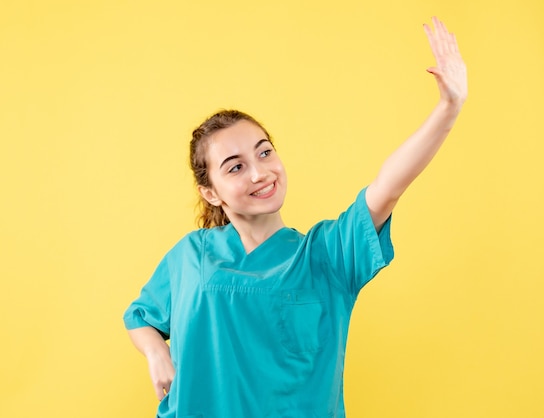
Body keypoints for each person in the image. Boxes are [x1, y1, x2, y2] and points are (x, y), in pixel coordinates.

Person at [124, 16, 467, 418]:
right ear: (210, 192)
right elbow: (140, 317)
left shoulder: (325, 257)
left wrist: (449, 108)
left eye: (264, 152)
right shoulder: (191, 256)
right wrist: (155, 351)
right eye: (235, 167)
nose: (259, 173)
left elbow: (387, 187)